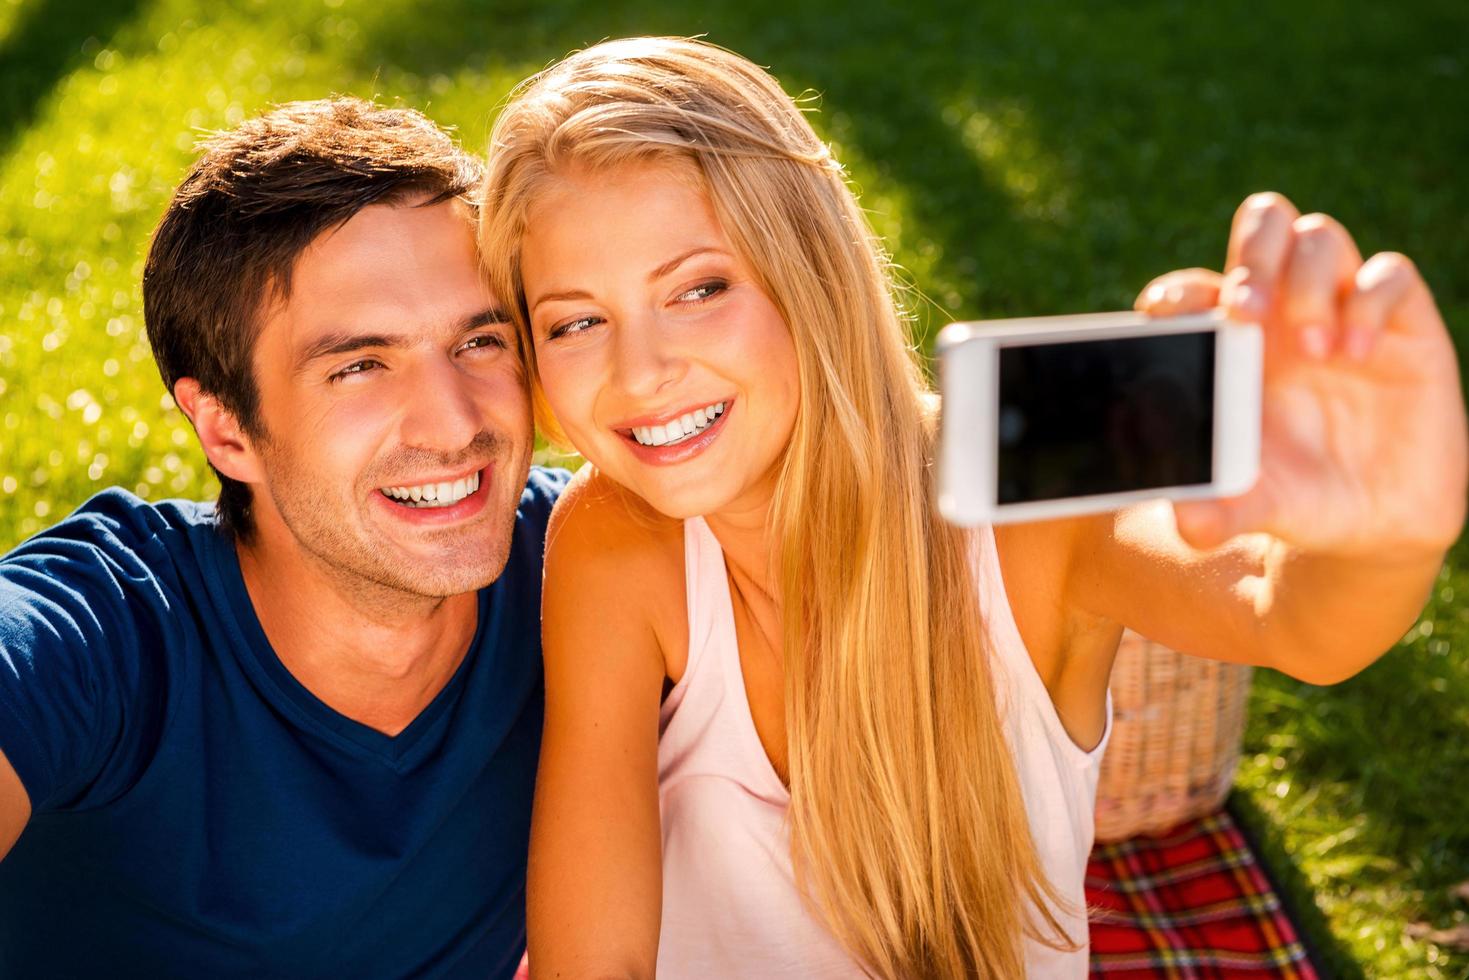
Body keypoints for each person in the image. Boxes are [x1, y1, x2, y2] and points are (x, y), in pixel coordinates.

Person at [477, 37, 1469, 978]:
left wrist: (1385, 532)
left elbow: (1285, 610)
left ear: (808, 267)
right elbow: (590, 958)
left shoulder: (1024, 449)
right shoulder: (613, 533)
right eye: (575, 320)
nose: (641, 370)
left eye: (696, 288)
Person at [0, 98, 564, 978]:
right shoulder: (107, 635)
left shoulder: (583, 570)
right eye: (359, 366)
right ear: (226, 431)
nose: (454, 424)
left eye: (479, 341)